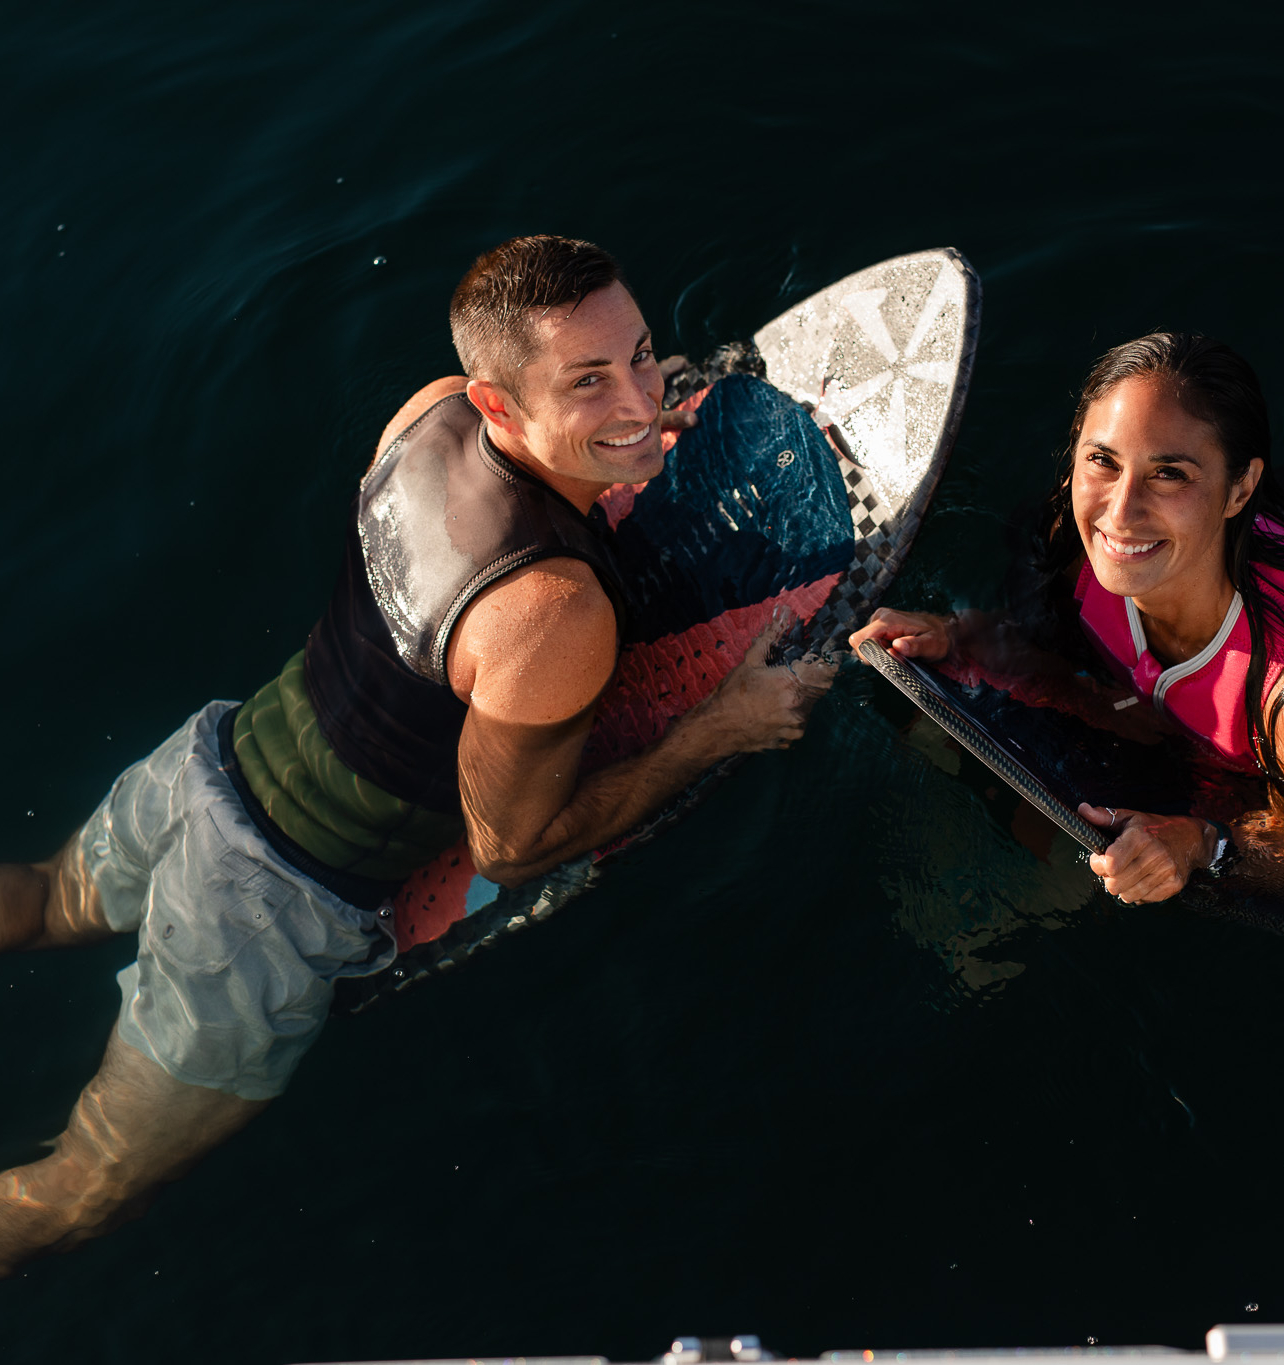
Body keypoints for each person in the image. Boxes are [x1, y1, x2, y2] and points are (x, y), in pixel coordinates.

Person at [0, 235, 834, 1273]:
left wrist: (600, 444)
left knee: (37, 901)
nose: (644, 396)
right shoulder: (554, 613)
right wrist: (724, 728)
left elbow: (432, 608)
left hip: (212, 758)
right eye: (589, 381)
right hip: (267, 915)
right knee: (82, 1191)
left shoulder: (426, 411)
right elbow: (516, 845)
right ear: (499, 403)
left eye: (643, 354)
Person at [851, 331, 1284, 905]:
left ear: (1241, 486)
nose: (1120, 514)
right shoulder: (1076, 546)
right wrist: (956, 635)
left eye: (1170, 473)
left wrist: (1201, 844)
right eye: (1103, 460)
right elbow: (1054, 649)